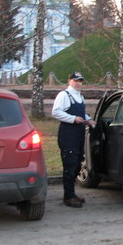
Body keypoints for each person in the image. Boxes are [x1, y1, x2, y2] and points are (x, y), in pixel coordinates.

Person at [51, 72, 96, 208]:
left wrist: (88, 120)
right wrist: (73, 119)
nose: (78, 83)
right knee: (70, 166)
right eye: (75, 80)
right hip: (68, 135)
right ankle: (68, 197)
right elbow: (56, 112)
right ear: (69, 81)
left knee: (77, 164)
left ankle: (72, 193)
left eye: (80, 81)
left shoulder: (80, 96)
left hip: (79, 135)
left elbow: (81, 114)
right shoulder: (64, 95)